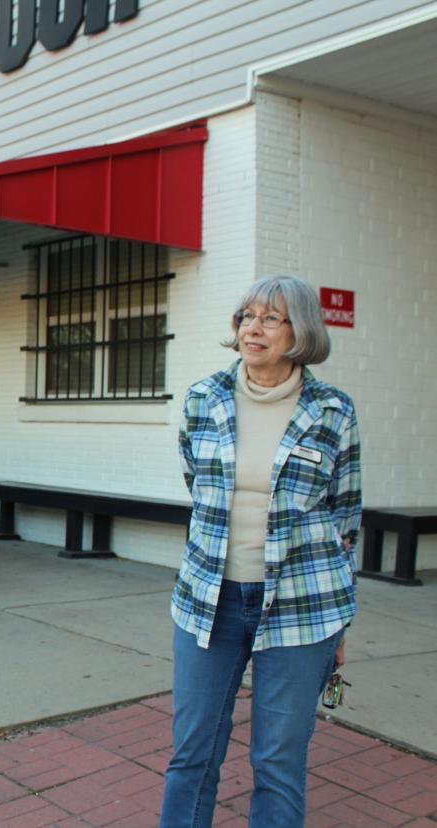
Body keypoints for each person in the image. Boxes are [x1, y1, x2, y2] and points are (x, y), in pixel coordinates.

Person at [159, 276, 361, 827]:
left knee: (278, 761)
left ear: (301, 331)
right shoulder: (204, 398)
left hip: (302, 606)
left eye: (271, 318)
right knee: (192, 752)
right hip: (210, 601)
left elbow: (345, 517)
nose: (254, 327)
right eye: (247, 315)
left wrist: (338, 626)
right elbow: (197, 488)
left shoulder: (332, 410)